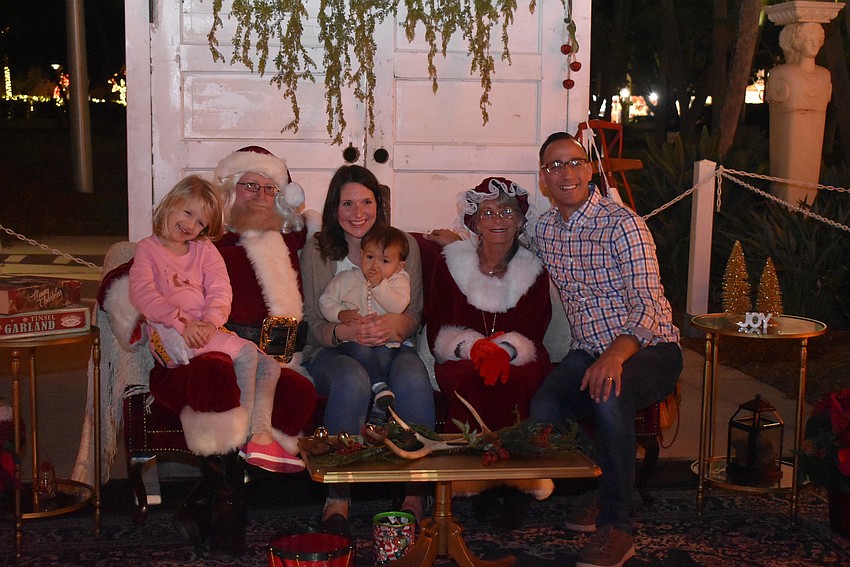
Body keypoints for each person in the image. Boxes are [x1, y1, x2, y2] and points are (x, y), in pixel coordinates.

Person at [530, 132, 683, 567]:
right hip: (589, 349)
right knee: (544, 409)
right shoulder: (544, 229)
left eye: (575, 162)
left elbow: (650, 305)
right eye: (555, 166)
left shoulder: (624, 224)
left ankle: (618, 527)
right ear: (543, 179)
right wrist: (453, 239)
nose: (566, 172)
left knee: (608, 392)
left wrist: (615, 356)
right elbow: (506, 242)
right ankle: (607, 483)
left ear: (590, 168)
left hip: (650, 348)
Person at [129, 175, 302, 475]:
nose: (191, 225)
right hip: (172, 334)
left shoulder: (204, 249)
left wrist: (209, 322)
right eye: (187, 213)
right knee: (249, 355)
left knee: (270, 365)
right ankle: (249, 437)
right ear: (170, 204)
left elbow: (221, 292)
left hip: (205, 331)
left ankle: (259, 435)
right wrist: (183, 322)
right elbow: (143, 294)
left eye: (200, 222)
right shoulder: (149, 249)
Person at [300, 164, 436, 532]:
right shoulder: (317, 253)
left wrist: (395, 323)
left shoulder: (402, 246)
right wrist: (344, 331)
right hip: (335, 352)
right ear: (334, 208)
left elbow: (416, 314)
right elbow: (313, 324)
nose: (358, 213)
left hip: (393, 345)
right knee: (354, 380)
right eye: (347, 204)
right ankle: (338, 498)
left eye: (366, 202)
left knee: (413, 376)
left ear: (379, 206)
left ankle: (414, 492)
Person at [425, 176, 556, 528]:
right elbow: (438, 327)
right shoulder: (448, 263)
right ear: (474, 221)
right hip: (460, 355)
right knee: (472, 378)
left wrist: (505, 349)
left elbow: (534, 328)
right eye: (487, 212)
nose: (498, 219)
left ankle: (515, 481)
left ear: (519, 219)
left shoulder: (533, 269)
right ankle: (476, 482)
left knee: (516, 377)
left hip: (521, 353)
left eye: (507, 210)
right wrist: (474, 347)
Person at [319, 224, 411, 425]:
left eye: (385, 261)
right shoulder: (345, 279)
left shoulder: (398, 281)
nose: (375, 266)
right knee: (360, 351)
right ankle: (380, 388)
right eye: (370, 257)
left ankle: (380, 400)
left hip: (384, 341)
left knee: (384, 357)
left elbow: (398, 306)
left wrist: (379, 285)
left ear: (399, 266)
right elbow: (325, 301)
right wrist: (340, 314)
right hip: (354, 340)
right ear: (361, 255)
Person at [765, 22, 832, 205]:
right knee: (789, 177)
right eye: (808, 39)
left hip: (812, 132)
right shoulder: (783, 74)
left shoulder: (824, 75)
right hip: (790, 138)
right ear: (797, 42)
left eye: (817, 40)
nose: (814, 44)